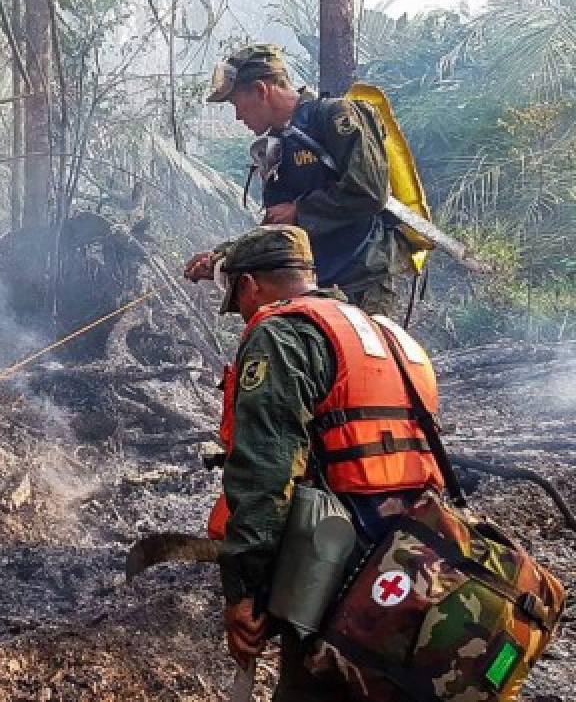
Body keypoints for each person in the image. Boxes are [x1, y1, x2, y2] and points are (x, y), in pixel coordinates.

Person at [209, 225, 443, 700]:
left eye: (237, 300)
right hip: (418, 547)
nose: (241, 314)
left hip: (336, 558)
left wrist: (245, 589)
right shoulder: (383, 334)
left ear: (250, 284)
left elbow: (265, 471)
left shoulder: (282, 334)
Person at [185, 44, 403, 317]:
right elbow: (278, 229)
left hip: (360, 281)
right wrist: (224, 258)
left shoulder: (335, 116)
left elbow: (371, 190)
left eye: (236, 103)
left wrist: (300, 210)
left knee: (361, 359)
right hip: (311, 289)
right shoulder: (275, 149)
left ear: (261, 90)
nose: (238, 115)